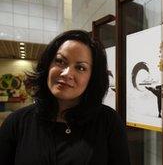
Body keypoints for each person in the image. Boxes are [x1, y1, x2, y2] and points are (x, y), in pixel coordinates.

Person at [0, 30, 130, 165]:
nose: (67, 73)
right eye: (60, 61)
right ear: (47, 64)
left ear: (92, 78)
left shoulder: (109, 122)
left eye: (80, 68)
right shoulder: (17, 122)